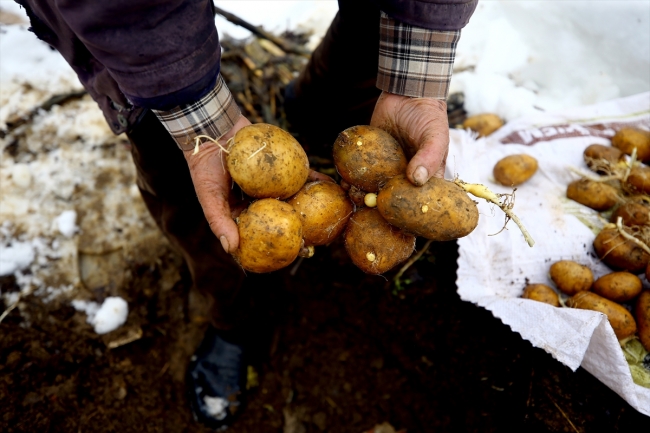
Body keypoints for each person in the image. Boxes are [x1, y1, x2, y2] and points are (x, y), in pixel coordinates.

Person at [15, 0, 477, 429]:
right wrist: (193, 114)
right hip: (130, 17)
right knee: (187, 168)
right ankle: (233, 318)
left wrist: (413, 73)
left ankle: (315, 109)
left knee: (373, 25)